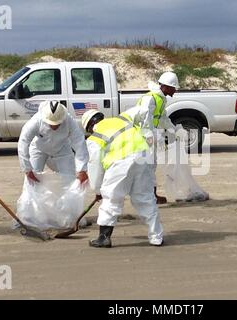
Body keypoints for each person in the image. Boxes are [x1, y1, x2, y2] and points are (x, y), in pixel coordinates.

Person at [82, 109, 164, 248]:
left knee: (112, 199)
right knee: (145, 198)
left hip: (120, 163)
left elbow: (95, 164)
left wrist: (97, 190)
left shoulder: (95, 137)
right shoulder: (121, 119)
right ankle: (156, 237)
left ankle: (104, 238)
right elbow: (141, 110)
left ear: (90, 127)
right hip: (142, 158)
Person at [122, 71, 180, 204]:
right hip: (141, 138)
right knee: (145, 166)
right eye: (174, 87)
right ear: (166, 86)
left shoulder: (160, 98)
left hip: (150, 137)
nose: (175, 90)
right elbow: (145, 121)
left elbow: (163, 118)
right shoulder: (151, 98)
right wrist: (151, 138)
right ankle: (146, 195)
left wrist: (174, 130)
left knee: (150, 165)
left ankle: (151, 195)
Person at [18, 100, 89, 184]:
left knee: (70, 180)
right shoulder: (36, 121)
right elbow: (23, 142)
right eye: (51, 124)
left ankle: (68, 197)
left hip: (62, 148)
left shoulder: (69, 120)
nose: (54, 126)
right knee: (32, 180)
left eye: (57, 124)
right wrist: (27, 169)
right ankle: (32, 197)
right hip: (39, 149)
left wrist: (82, 169)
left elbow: (79, 142)